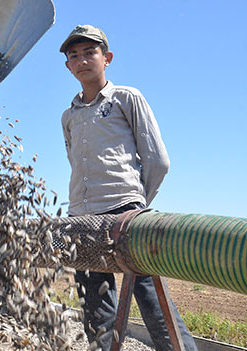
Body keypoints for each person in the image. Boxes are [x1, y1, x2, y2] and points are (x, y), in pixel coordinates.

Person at [60, 25, 197, 351]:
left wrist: (136, 205)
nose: (82, 60)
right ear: (68, 66)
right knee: (95, 307)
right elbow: (74, 162)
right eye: (74, 56)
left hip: (125, 214)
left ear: (106, 58)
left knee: (150, 296)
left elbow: (157, 161)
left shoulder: (126, 98)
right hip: (81, 218)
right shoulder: (68, 116)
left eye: (89, 52)